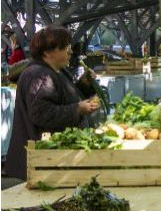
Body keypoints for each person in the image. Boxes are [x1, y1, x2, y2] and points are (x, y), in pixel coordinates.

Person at [5, 26, 101, 180]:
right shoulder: (39, 75)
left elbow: (64, 97)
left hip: (50, 160)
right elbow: (42, 115)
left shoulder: (54, 71)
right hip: (42, 162)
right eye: (64, 47)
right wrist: (78, 109)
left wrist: (84, 84)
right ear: (47, 52)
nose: (70, 51)